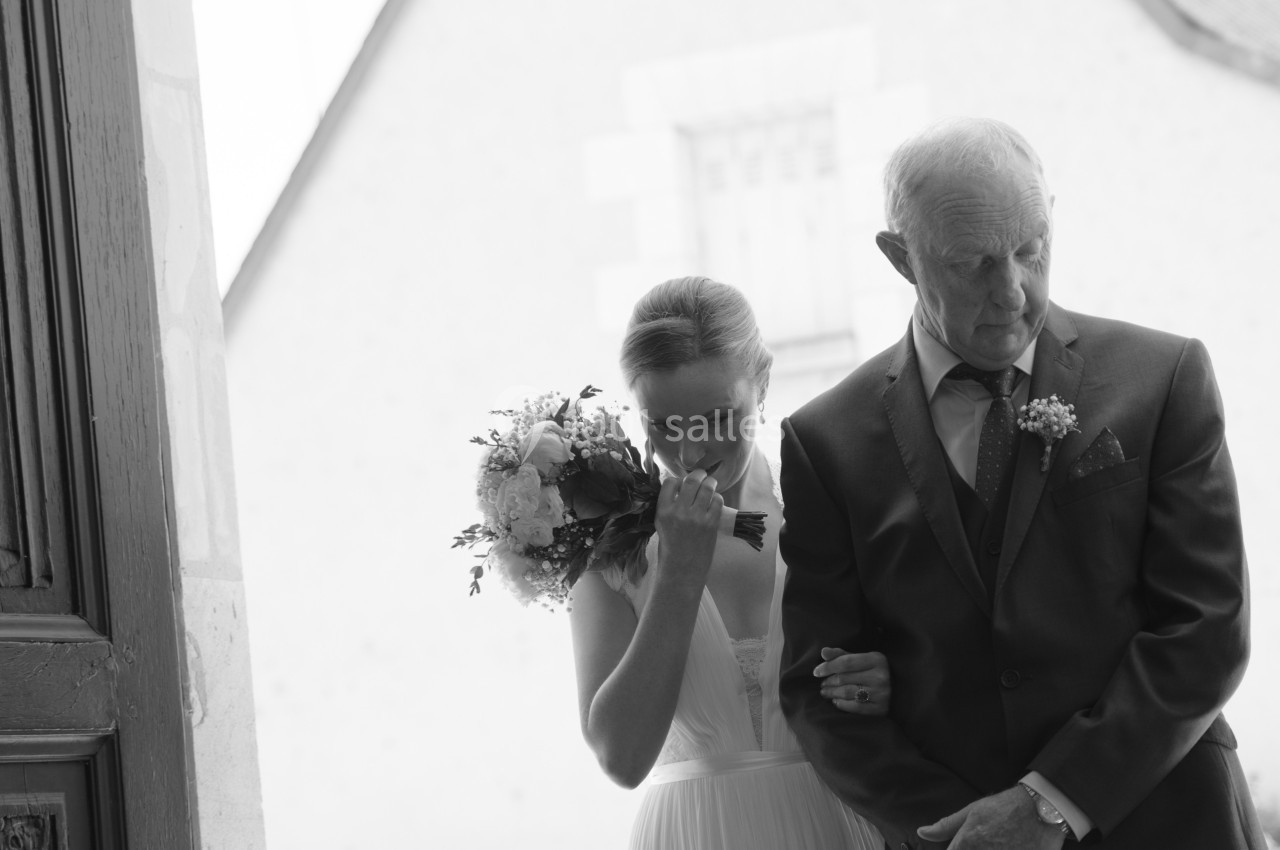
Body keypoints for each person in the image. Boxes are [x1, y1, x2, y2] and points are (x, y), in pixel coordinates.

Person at [778, 116, 1267, 849]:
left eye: (1031, 250)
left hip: (1171, 820)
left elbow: (1206, 626)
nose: (1012, 291)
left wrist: (1048, 804)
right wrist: (960, 833)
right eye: (973, 264)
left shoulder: (1163, 378)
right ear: (900, 259)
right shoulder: (824, 442)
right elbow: (819, 696)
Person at [569, 276, 886, 849]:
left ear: (761, 386)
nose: (691, 453)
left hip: (834, 826)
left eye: (720, 418)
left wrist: (888, 688)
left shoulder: (836, 504)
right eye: (663, 425)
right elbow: (621, 759)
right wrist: (679, 573)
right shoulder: (609, 551)